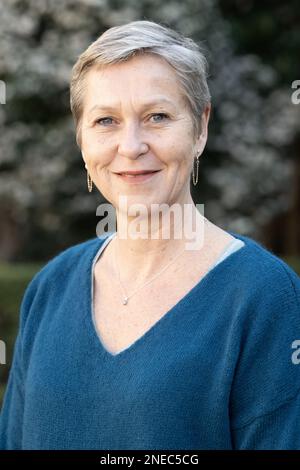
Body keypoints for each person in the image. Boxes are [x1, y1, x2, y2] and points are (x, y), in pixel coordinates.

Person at [0, 20, 300, 451]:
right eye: (106, 121)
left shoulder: (266, 298)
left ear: (200, 127)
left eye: (157, 116)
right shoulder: (51, 286)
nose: (131, 145)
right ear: (81, 138)